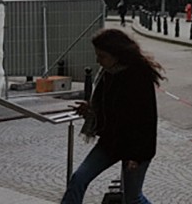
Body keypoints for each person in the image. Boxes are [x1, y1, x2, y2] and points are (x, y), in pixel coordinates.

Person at [61, 29, 163, 204]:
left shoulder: (139, 76)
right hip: (111, 142)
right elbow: (108, 108)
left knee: (132, 199)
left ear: (117, 55)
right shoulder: (108, 73)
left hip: (135, 148)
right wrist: (91, 111)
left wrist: (136, 157)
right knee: (79, 178)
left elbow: (145, 122)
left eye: (101, 56)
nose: (97, 60)